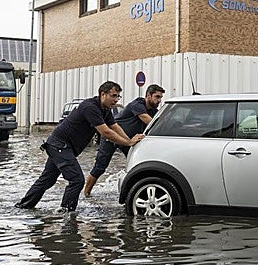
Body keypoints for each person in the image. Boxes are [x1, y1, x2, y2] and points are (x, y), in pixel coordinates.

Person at [15, 81, 143, 212]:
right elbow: (106, 132)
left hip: (62, 147)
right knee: (77, 180)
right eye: (114, 96)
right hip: (59, 145)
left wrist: (129, 140)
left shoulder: (105, 110)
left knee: (47, 180)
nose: (116, 100)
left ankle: (24, 207)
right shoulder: (90, 107)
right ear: (103, 94)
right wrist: (128, 143)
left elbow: (114, 127)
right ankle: (67, 213)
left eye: (118, 97)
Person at [83, 84, 165, 197]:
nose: (159, 100)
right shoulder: (137, 104)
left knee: (136, 164)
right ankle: (86, 193)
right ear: (148, 95)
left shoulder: (153, 111)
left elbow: (160, 121)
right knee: (100, 167)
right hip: (112, 137)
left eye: (160, 97)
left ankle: (135, 191)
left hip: (128, 140)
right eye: (157, 97)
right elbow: (150, 122)